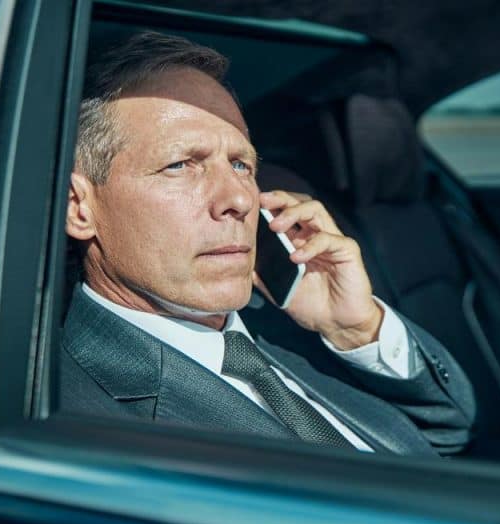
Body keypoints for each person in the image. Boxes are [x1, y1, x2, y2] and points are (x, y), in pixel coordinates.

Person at [60, 31, 475, 456]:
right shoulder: (78, 417)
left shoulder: (284, 316)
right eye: (180, 165)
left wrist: (355, 330)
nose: (240, 199)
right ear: (78, 206)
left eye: (241, 164)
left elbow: (447, 430)